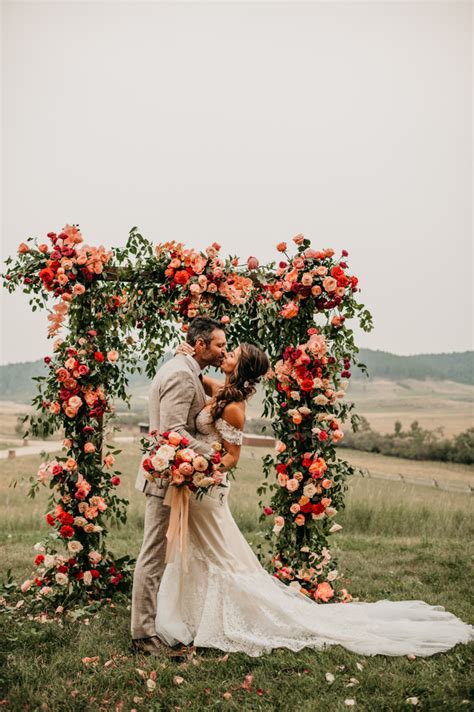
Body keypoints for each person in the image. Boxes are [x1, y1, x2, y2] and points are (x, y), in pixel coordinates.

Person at [155, 341, 474, 658]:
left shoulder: (234, 407)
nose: (226, 354)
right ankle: (192, 615)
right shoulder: (223, 391)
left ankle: (235, 615)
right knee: (208, 551)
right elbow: (196, 379)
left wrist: (205, 471)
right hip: (198, 486)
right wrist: (184, 356)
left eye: (233, 354)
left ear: (240, 368)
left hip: (209, 488)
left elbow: (232, 458)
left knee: (221, 556)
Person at [131, 316, 227, 655]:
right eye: (218, 345)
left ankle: (158, 622)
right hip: (163, 478)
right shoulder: (181, 375)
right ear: (200, 344)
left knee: (160, 555)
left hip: (175, 478)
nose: (222, 350)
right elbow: (173, 432)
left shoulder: (187, 369)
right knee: (154, 555)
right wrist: (215, 454)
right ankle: (142, 635)